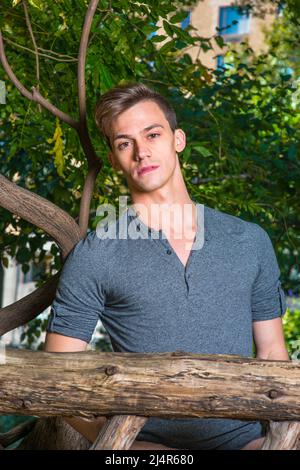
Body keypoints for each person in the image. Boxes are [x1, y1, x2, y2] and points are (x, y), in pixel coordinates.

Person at [45, 83, 289, 450]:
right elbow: (56, 376)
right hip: (146, 446)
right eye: (124, 143)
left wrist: (278, 442)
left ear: (178, 139)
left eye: (152, 134)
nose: (142, 152)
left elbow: (273, 354)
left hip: (246, 443)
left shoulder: (249, 240)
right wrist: (120, 443)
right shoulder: (98, 253)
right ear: (113, 158)